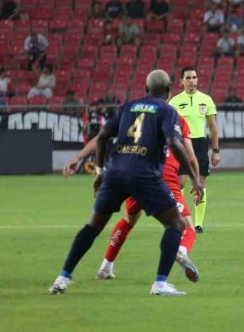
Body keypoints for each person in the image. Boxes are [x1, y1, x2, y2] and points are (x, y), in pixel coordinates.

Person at [48, 70, 204, 296]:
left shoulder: (127, 107)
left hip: (115, 171)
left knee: (93, 226)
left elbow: (102, 137)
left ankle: (62, 278)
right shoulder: (167, 110)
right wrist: (194, 178)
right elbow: (174, 142)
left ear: (146, 89)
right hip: (145, 174)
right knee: (177, 225)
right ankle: (160, 283)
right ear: (170, 90)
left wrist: (100, 171)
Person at [62, 115, 201, 282]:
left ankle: (105, 266)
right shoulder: (176, 119)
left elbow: (102, 137)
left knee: (128, 220)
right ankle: (180, 253)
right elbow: (190, 156)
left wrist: (78, 158)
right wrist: (196, 179)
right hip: (160, 178)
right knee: (187, 228)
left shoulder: (134, 114)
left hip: (133, 174)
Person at [169, 67, 220, 233]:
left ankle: (198, 224)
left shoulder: (206, 99)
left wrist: (216, 150)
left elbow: (213, 127)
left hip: (200, 144)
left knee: (201, 184)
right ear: (181, 81)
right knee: (180, 182)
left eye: (194, 77)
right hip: (181, 144)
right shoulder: (174, 102)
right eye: (188, 77)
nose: (192, 80)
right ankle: (182, 219)